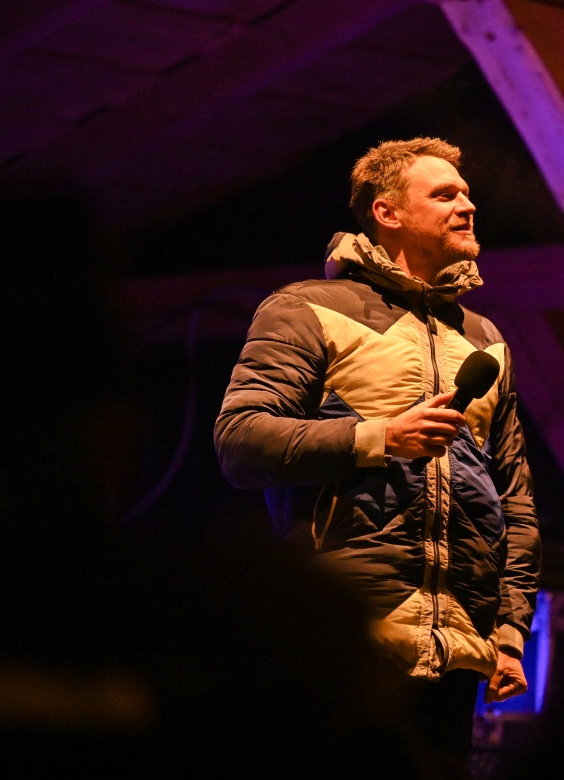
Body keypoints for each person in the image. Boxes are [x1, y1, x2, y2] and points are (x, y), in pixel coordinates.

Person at [214, 136, 541, 771]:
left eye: (467, 193)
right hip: (342, 643)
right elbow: (241, 441)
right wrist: (380, 438)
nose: (467, 205)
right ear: (387, 213)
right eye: (444, 195)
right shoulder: (307, 309)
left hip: (459, 656)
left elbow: (515, 500)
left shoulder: (485, 341)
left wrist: (508, 631)